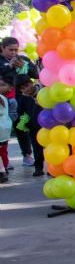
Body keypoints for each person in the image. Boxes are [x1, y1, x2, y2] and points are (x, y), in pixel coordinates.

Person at [0, 37, 38, 167]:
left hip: (26, 98)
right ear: (2, 48)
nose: (14, 53)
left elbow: (37, 74)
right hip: (6, 100)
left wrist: (26, 67)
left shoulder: (24, 59)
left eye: (16, 50)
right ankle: (4, 161)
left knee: (29, 126)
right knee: (5, 129)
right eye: (10, 50)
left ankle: (27, 155)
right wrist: (9, 67)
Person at [14, 76, 43, 177]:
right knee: (37, 148)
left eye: (27, 85)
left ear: (31, 82)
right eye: (22, 88)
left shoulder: (43, 92)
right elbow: (21, 113)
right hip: (33, 127)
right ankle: (38, 168)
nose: (26, 89)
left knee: (49, 148)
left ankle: (52, 168)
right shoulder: (22, 99)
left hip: (46, 126)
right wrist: (25, 124)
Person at [0, 79, 14, 183]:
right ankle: (4, 169)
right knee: (3, 151)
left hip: (1, 128)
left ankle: (3, 171)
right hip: (5, 128)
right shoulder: (3, 98)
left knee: (2, 152)